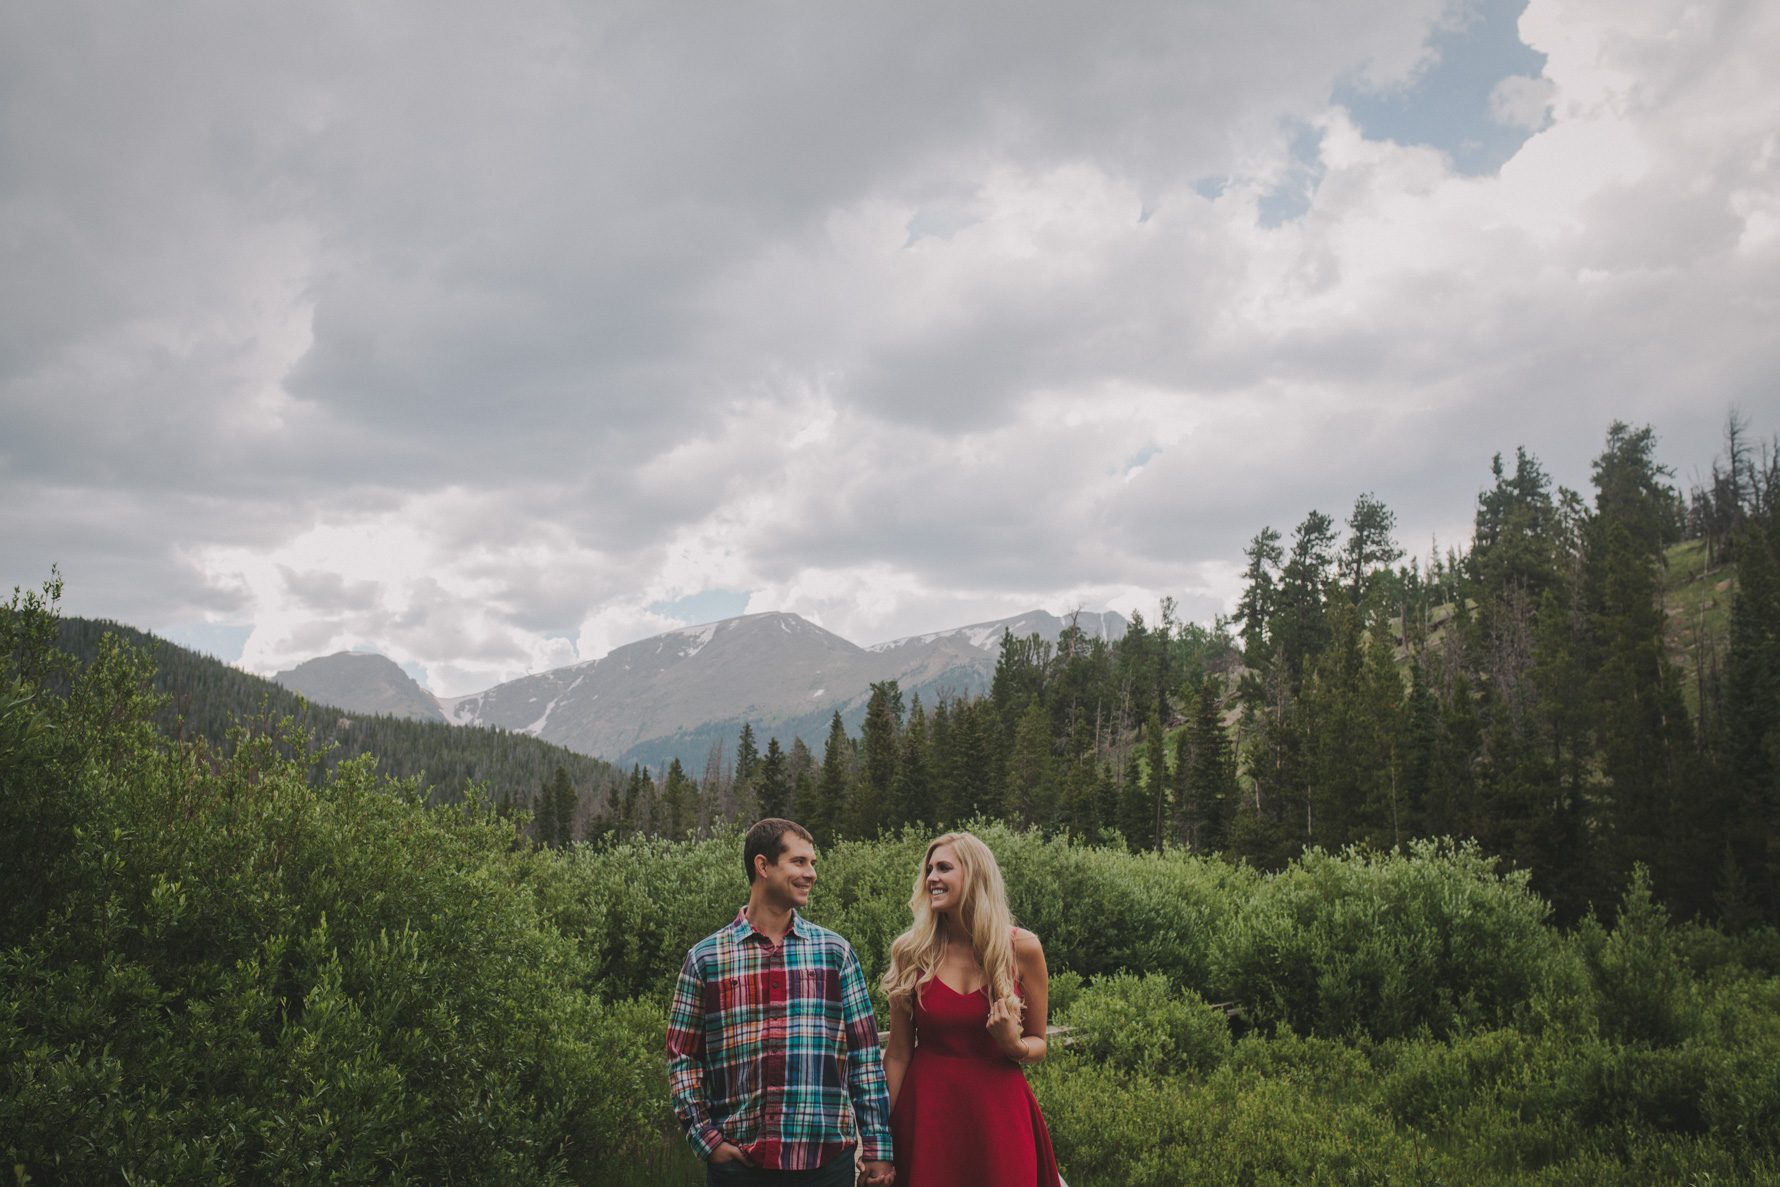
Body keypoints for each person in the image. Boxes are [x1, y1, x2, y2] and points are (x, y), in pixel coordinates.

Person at [667, 818, 896, 1187]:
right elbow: (682, 1057)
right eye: (799, 862)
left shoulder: (834, 953)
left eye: (813, 863)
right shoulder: (706, 959)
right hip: (739, 1167)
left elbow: (864, 1056)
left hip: (825, 1165)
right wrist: (706, 1139)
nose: (811, 873)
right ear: (763, 866)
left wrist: (877, 1148)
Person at [881, 832, 1062, 1187]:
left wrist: (1014, 1046)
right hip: (927, 1115)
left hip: (999, 1118)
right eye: (929, 869)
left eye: (944, 868)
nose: (931, 877)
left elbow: (1039, 1043)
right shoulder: (910, 951)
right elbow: (898, 1054)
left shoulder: (1023, 948)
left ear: (975, 876)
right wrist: (882, 1137)